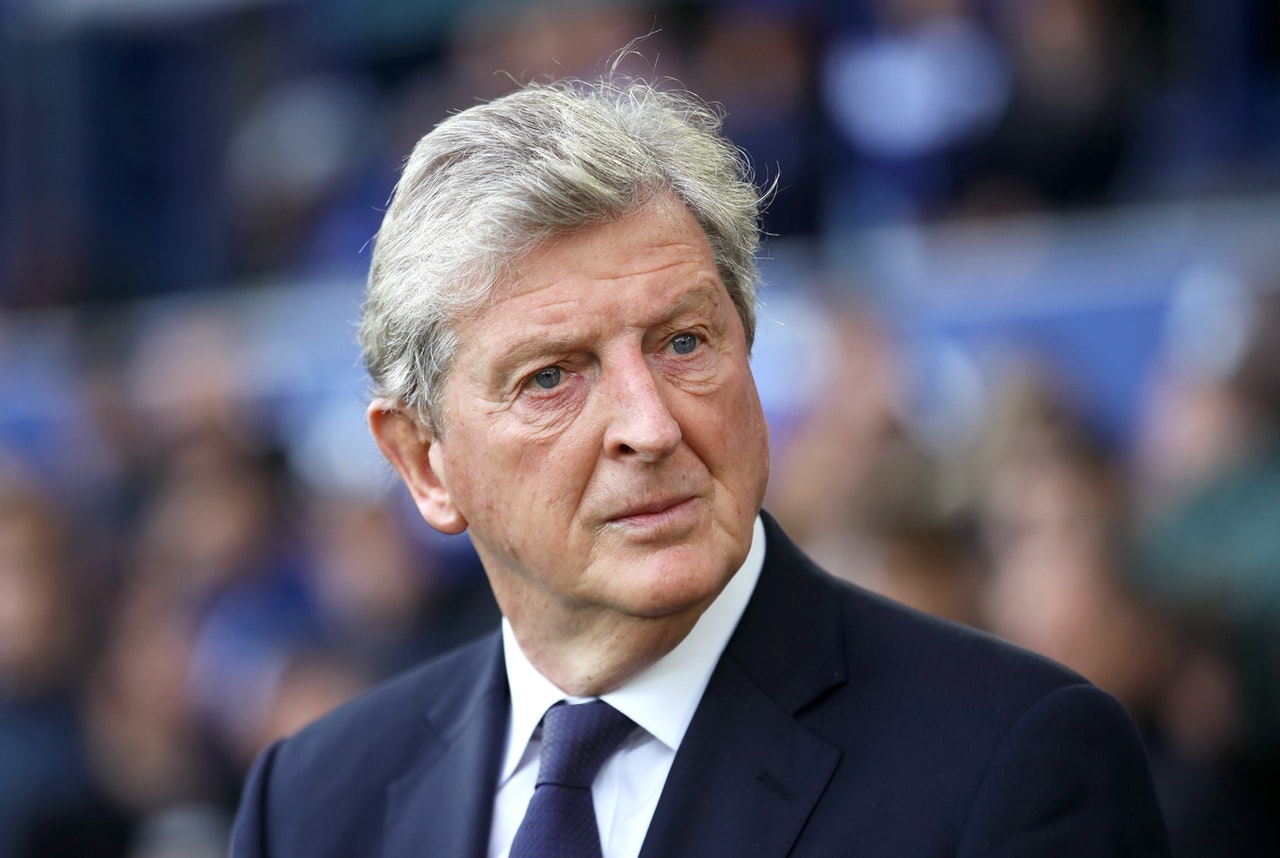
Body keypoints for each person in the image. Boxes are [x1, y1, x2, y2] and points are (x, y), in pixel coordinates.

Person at [230, 76, 1170, 857]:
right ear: (422, 464)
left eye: (683, 343)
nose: (650, 426)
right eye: (551, 377)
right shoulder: (309, 805)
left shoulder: (1013, 760)